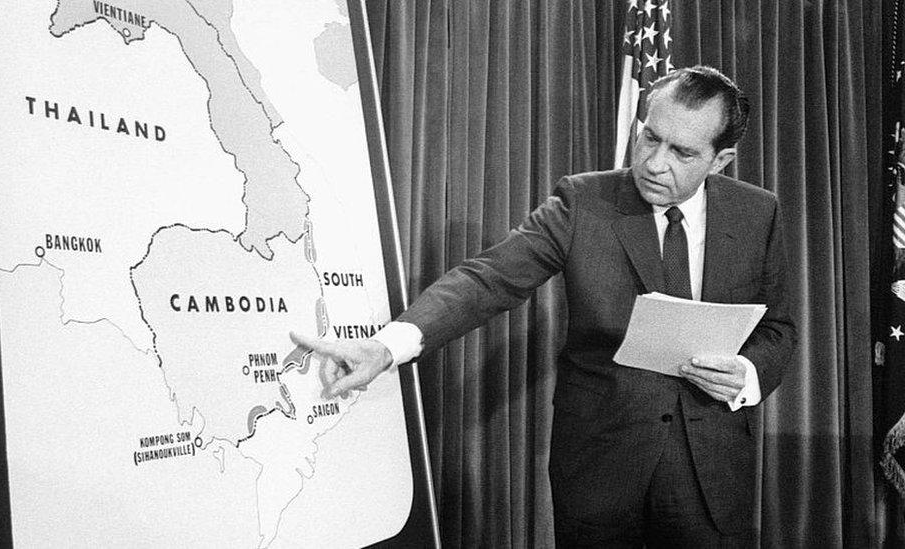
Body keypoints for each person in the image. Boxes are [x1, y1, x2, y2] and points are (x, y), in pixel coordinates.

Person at [292, 65, 795, 546]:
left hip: (710, 472)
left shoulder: (757, 213)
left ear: (721, 160)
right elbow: (487, 279)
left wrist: (748, 373)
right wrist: (385, 349)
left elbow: (777, 329)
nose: (654, 162)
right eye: (649, 137)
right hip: (601, 471)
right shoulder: (583, 202)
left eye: (682, 152)